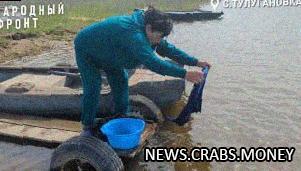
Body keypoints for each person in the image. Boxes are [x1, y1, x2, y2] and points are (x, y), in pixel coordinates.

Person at [74, 6, 211, 136]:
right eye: (160, 36)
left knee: (121, 79)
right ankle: (88, 125)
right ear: (149, 28)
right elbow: (154, 63)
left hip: (110, 51)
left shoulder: (149, 29)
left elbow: (168, 49)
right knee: (93, 85)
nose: (160, 40)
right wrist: (185, 74)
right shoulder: (135, 36)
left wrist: (196, 62)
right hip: (86, 48)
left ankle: (121, 116)